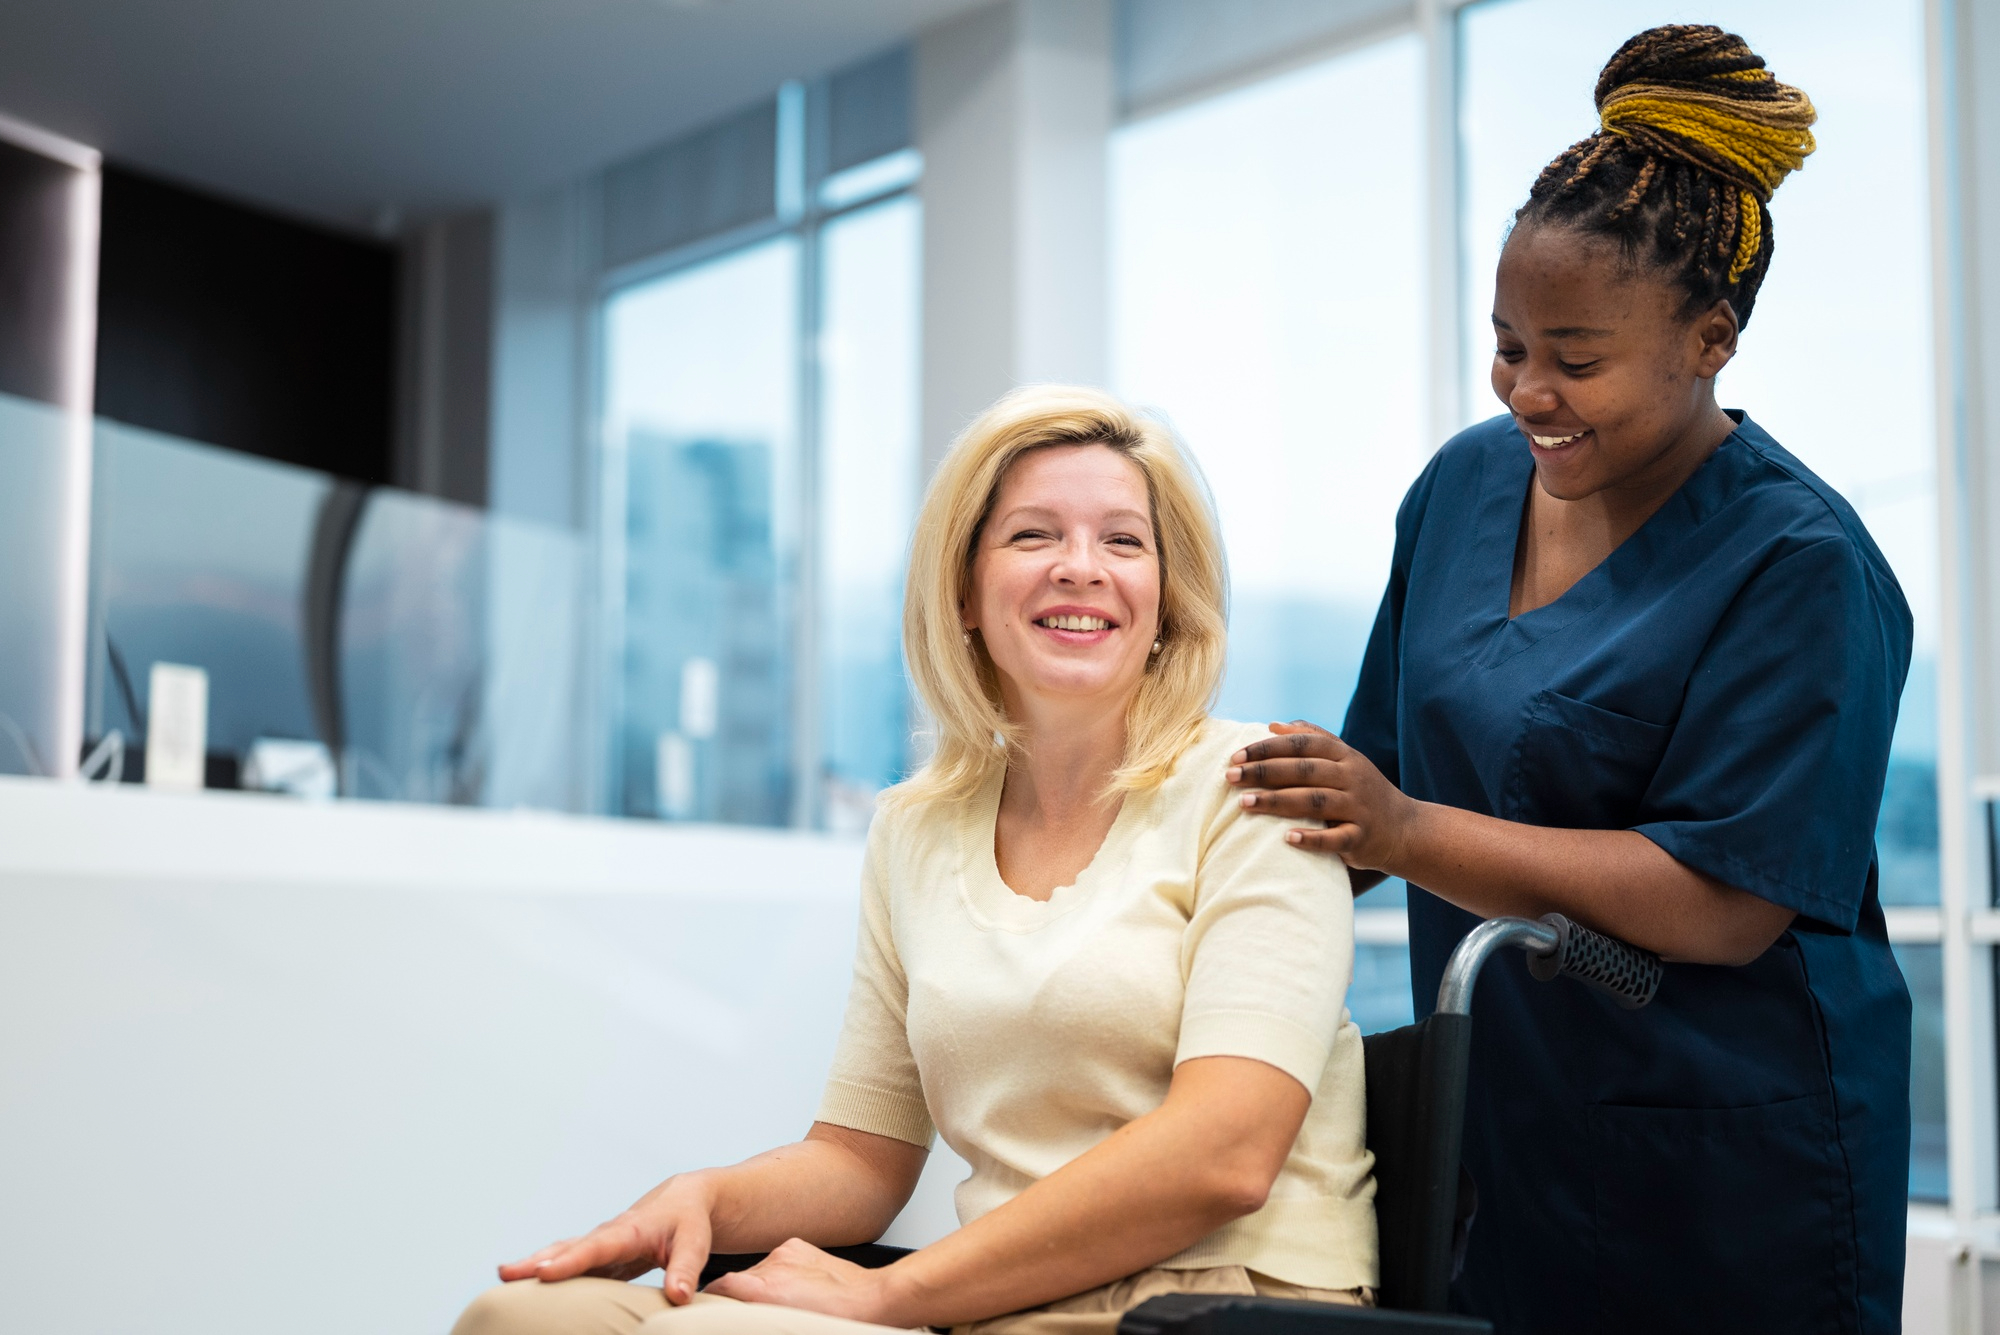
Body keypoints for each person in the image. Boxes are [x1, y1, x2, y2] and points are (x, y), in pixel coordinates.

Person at [1226, 25, 1910, 1335]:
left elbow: (1722, 901)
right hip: (1504, 1125)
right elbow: (1370, 788)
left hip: (1725, 1164)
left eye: (1578, 358)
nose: (1531, 390)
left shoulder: (1799, 563)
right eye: (1508, 345)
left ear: (1710, 337)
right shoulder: (1464, 488)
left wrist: (1410, 829)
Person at [454, 386, 1377, 1335]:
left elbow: (1222, 1154)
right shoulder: (915, 828)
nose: (1080, 568)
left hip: (1218, 1305)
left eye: (1123, 541)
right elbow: (863, 1159)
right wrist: (702, 1201)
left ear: (1166, 599)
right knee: (519, 1316)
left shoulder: (1259, 790)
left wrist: (893, 1293)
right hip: (998, 1303)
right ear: (965, 591)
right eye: (1032, 536)